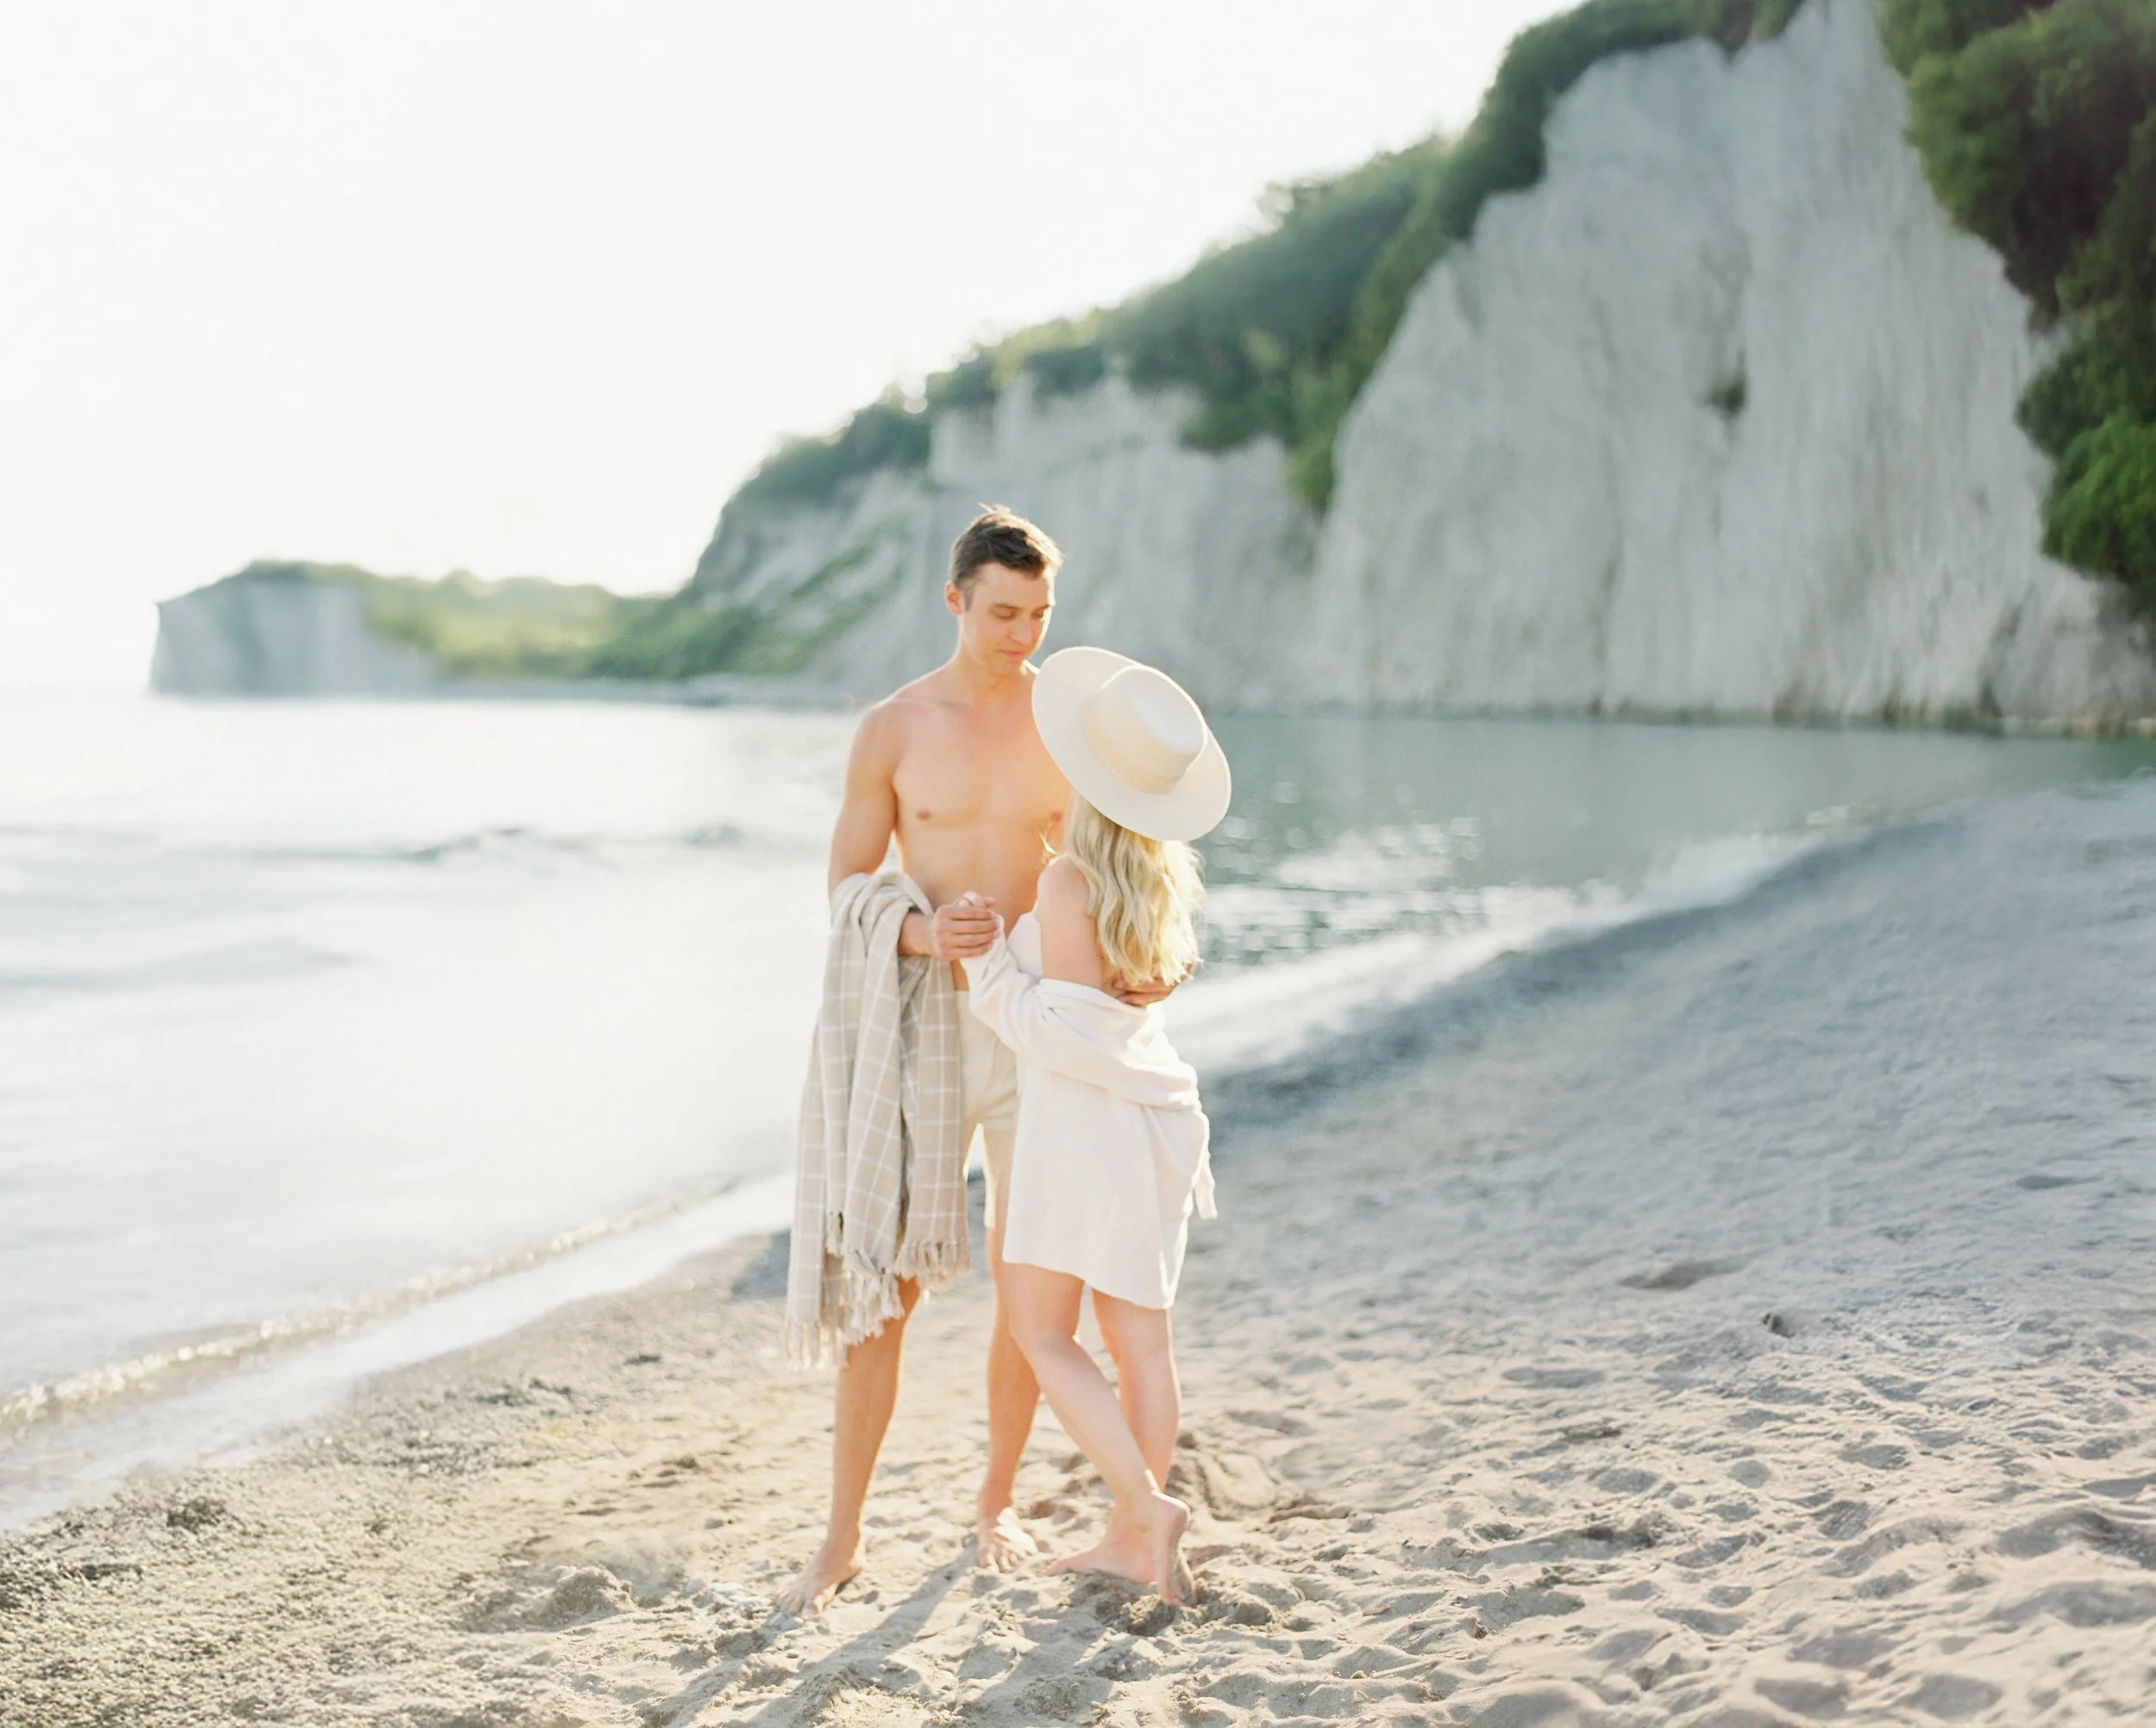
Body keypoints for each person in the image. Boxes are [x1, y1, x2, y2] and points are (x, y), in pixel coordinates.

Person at [776, 508, 1172, 1615]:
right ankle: (841, 1537)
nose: (1020, 634)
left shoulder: (1073, 724)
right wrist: (915, 931)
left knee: (1028, 1280)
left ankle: (992, 1503)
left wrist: (1149, 967)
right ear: (954, 602)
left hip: (1047, 1022)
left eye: (1039, 615)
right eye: (1002, 613)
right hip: (930, 1027)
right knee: (889, 1290)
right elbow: (847, 884)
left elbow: (1135, 867)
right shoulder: (893, 729)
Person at [958, 646, 1229, 1605]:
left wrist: (988, 965)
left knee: (1040, 1331)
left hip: (1083, 1132)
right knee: (1141, 1345)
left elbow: (1064, 1036)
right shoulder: (1163, 878)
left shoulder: (1069, 883)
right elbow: (1118, 1014)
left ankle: (1144, 1508)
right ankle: (1130, 1536)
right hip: (1153, 1125)